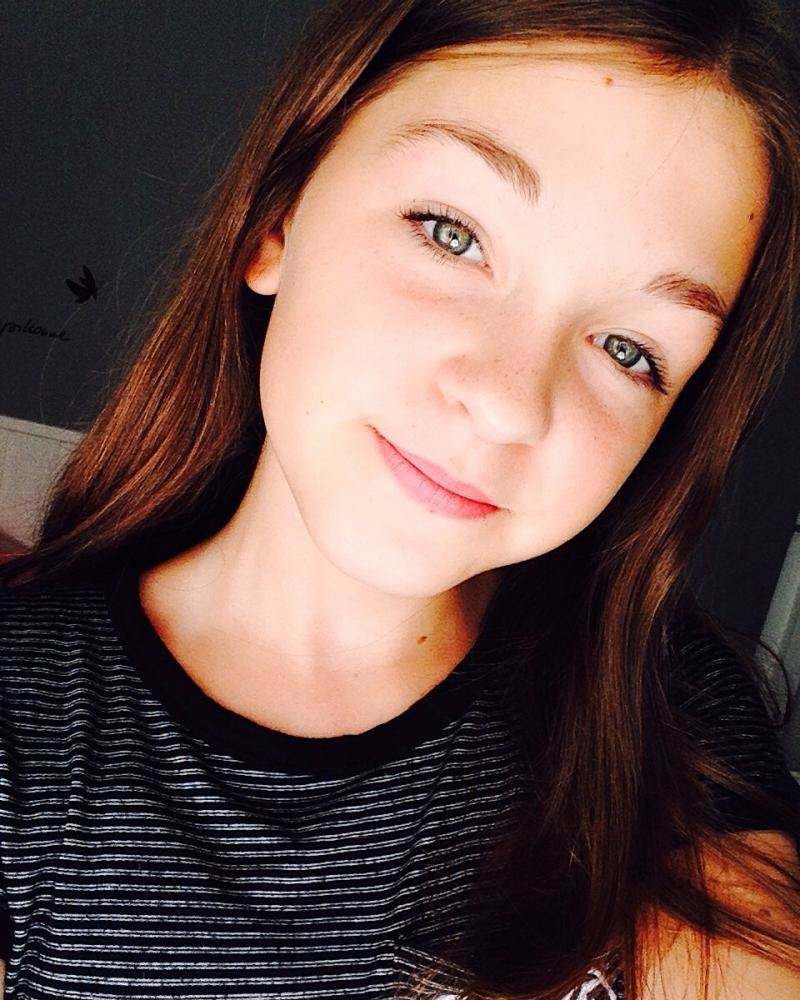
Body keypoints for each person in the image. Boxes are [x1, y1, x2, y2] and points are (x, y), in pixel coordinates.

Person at [1, 0, 800, 996]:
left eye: (629, 348)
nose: (508, 401)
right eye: (451, 234)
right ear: (278, 217)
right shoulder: (21, 722)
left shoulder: (666, 709)